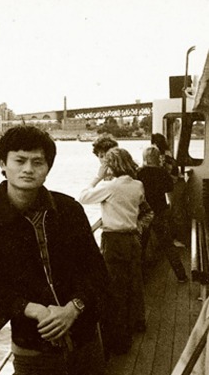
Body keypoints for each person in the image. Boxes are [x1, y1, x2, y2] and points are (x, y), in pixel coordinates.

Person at [0, 126, 108, 375]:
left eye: (37, 162)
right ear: (3, 164)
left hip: (85, 342)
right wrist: (34, 309)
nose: (28, 169)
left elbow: (97, 272)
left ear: (48, 168)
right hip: (32, 350)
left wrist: (73, 308)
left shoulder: (68, 210)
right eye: (19, 160)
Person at [78, 147, 146, 354]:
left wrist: (97, 178)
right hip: (133, 239)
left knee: (114, 289)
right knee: (132, 284)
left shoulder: (111, 187)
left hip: (114, 240)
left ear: (111, 166)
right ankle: (135, 324)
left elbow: (83, 197)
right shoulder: (138, 185)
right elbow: (140, 203)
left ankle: (119, 340)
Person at [137, 146, 188, 282]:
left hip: (145, 213)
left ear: (145, 158)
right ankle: (181, 275)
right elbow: (169, 187)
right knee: (168, 244)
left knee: (141, 245)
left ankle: (142, 277)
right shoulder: (162, 173)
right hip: (160, 212)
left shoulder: (140, 173)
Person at [151, 133, 187, 247]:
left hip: (175, 185)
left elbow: (170, 174)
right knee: (177, 211)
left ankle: (179, 239)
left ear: (156, 144)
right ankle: (179, 238)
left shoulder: (163, 157)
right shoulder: (167, 154)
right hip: (178, 184)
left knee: (176, 212)